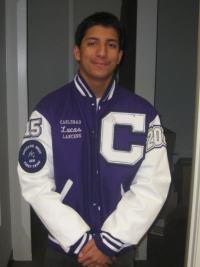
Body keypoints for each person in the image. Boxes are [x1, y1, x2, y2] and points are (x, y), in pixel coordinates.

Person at [17, 12, 171, 267]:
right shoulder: (49, 110)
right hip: (64, 248)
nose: (102, 52)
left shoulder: (144, 113)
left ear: (120, 56)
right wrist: (79, 241)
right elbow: (35, 181)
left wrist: (108, 242)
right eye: (92, 43)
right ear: (77, 51)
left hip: (116, 251)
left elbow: (153, 183)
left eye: (111, 45)